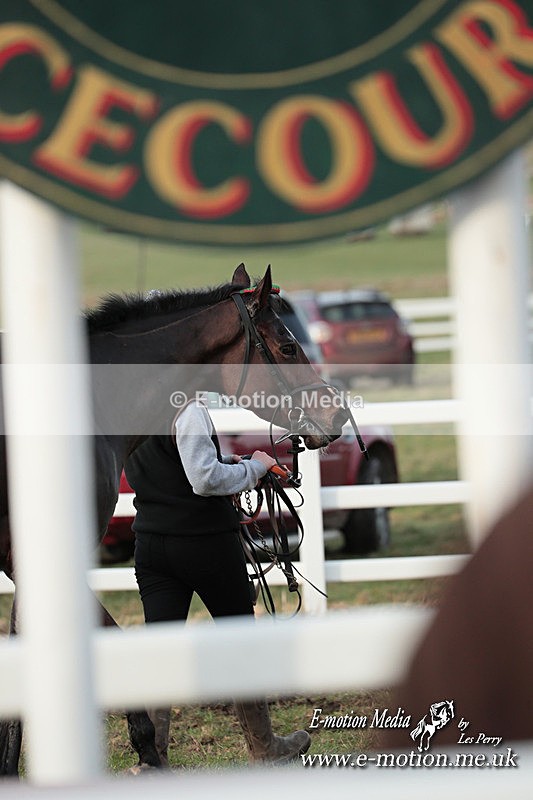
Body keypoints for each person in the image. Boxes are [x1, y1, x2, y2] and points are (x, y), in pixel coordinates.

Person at [124, 397, 311, 766]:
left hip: (152, 543)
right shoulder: (186, 410)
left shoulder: (132, 407)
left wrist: (233, 464)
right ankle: (266, 749)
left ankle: (152, 760)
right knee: (238, 638)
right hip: (205, 543)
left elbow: (175, 466)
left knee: (160, 650)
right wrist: (255, 469)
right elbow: (204, 480)